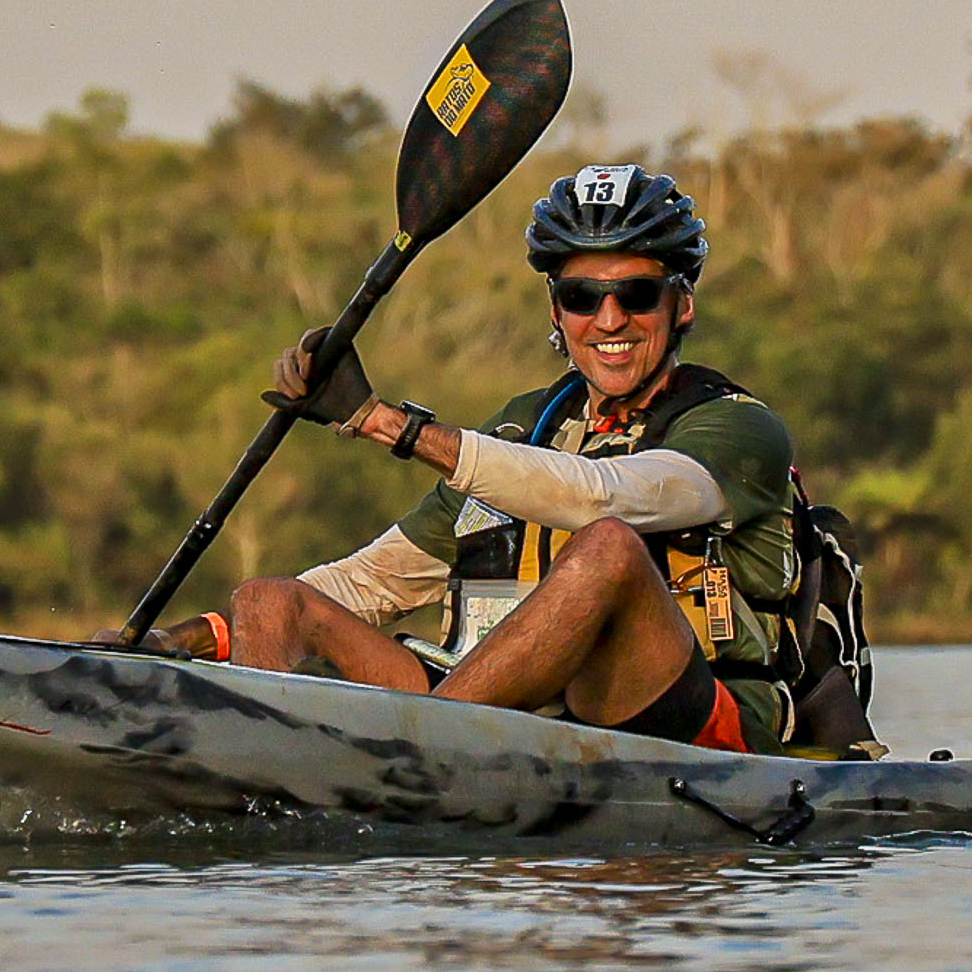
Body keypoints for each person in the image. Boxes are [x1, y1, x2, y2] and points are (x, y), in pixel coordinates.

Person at [133, 163, 814, 756]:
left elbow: (601, 499)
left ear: (682, 305)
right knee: (269, 598)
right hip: (520, 717)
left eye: (635, 294)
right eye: (581, 296)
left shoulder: (737, 428)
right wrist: (177, 642)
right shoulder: (526, 424)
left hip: (690, 719)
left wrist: (387, 424)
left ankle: (426, 753)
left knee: (607, 547)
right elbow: (375, 583)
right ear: (556, 307)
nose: (609, 320)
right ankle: (257, 772)